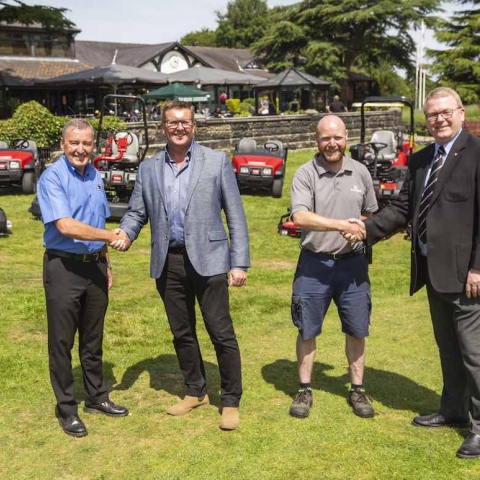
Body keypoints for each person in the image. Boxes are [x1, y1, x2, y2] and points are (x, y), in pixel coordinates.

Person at [346, 87, 480, 459]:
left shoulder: (477, 154)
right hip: (433, 272)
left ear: (460, 113)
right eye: (431, 114)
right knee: (448, 349)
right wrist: (363, 230)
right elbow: (402, 208)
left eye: (445, 112)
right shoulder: (422, 160)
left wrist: (478, 267)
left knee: (474, 353)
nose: (438, 119)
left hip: (468, 277)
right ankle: (453, 409)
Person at [111, 100, 250, 431]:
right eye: (172, 122)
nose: (178, 127)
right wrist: (126, 235)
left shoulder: (216, 162)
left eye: (184, 122)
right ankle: (196, 390)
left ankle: (230, 400)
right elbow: (136, 212)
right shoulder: (148, 168)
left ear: (194, 126)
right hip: (168, 261)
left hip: (211, 259)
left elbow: (236, 215)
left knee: (220, 331)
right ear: (163, 127)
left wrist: (239, 262)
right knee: (182, 332)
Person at [37, 118, 129, 438]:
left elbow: (94, 217)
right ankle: (67, 408)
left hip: (94, 267)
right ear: (63, 145)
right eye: (74, 143)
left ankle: (96, 397)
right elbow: (65, 225)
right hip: (63, 267)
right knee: (62, 342)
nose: (80, 149)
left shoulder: (94, 176)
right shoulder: (53, 177)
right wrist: (109, 236)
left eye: (86, 143)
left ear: (94, 146)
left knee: (93, 339)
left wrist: (106, 262)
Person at [288, 115, 378, 420]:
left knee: (357, 329)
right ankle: (304, 388)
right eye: (326, 138)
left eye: (337, 137)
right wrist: (342, 225)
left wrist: (360, 228)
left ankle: (357, 389)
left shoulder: (361, 172)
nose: (332, 144)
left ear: (346, 137)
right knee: (307, 329)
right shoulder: (305, 173)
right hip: (314, 264)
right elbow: (299, 217)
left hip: (352, 266)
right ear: (316, 138)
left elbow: (371, 215)